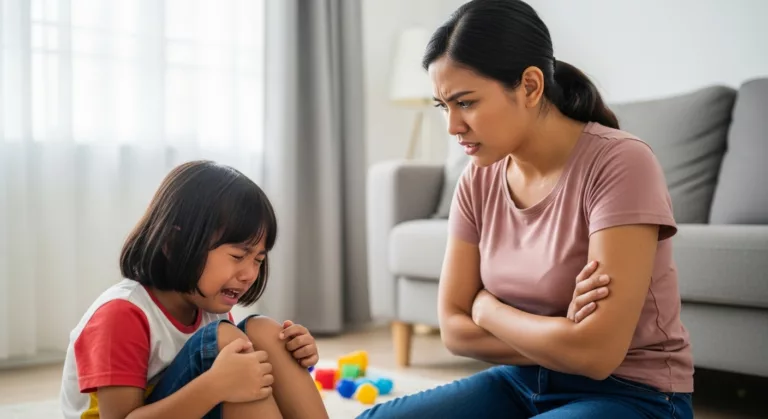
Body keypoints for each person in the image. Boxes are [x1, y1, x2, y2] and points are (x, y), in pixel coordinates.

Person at [359, 0, 693, 418]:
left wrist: (486, 308)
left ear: (531, 86)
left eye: (466, 102)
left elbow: (597, 355)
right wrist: (563, 335)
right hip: (518, 379)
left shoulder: (621, 163)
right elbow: (454, 330)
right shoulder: (477, 178)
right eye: (444, 106)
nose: (452, 126)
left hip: (631, 394)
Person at [59, 161, 329, 419]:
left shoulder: (211, 311)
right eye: (237, 256)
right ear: (174, 244)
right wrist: (215, 386)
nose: (250, 274)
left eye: (258, 260)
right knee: (228, 344)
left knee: (266, 332)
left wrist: (293, 354)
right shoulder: (121, 314)